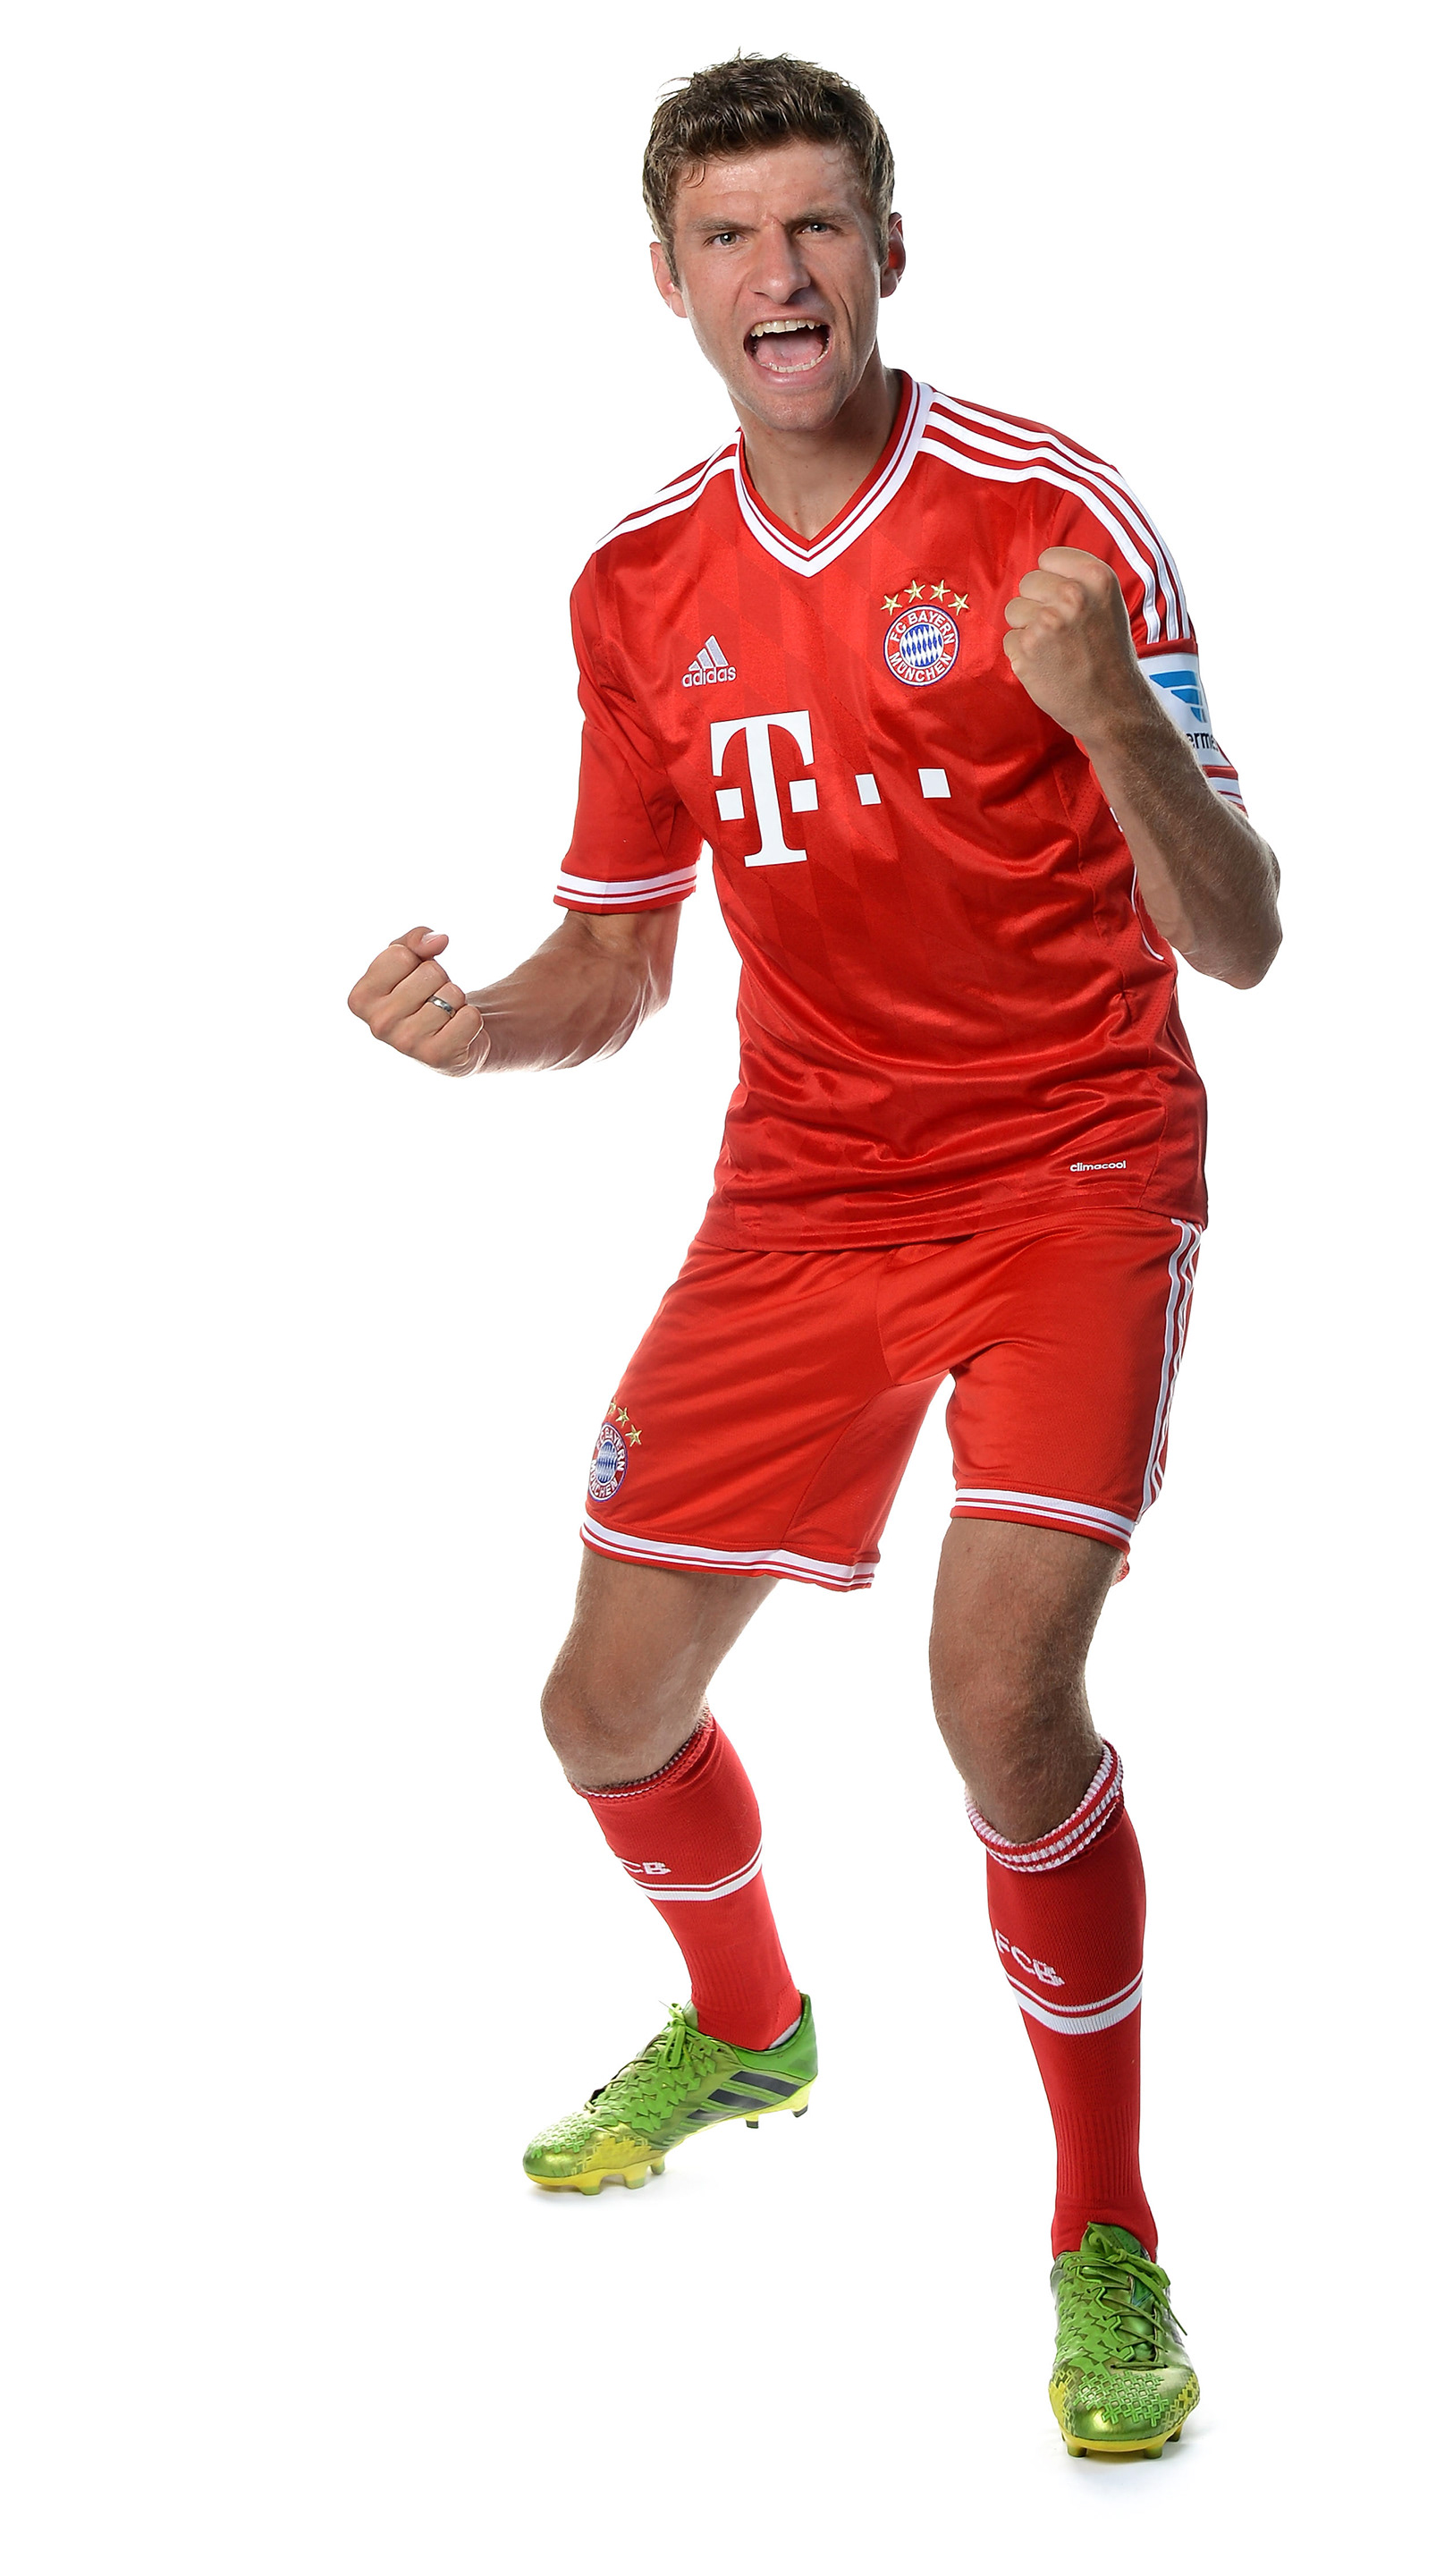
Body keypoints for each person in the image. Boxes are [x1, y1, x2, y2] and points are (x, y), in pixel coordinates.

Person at [347, 52, 1280, 2461]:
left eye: (820, 230)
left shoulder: (1053, 520)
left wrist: (1111, 719)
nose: (782, 277)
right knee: (600, 1719)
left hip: (1075, 1167)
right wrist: (483, 1034)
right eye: (732, 240)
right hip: (806, 1191)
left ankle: (1107, 2237)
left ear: (890, 249)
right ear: (667, 282)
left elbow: (1244, 935)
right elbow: (620, 959)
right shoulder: (638, 583)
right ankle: (752, 2025)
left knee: (1000, 1702)